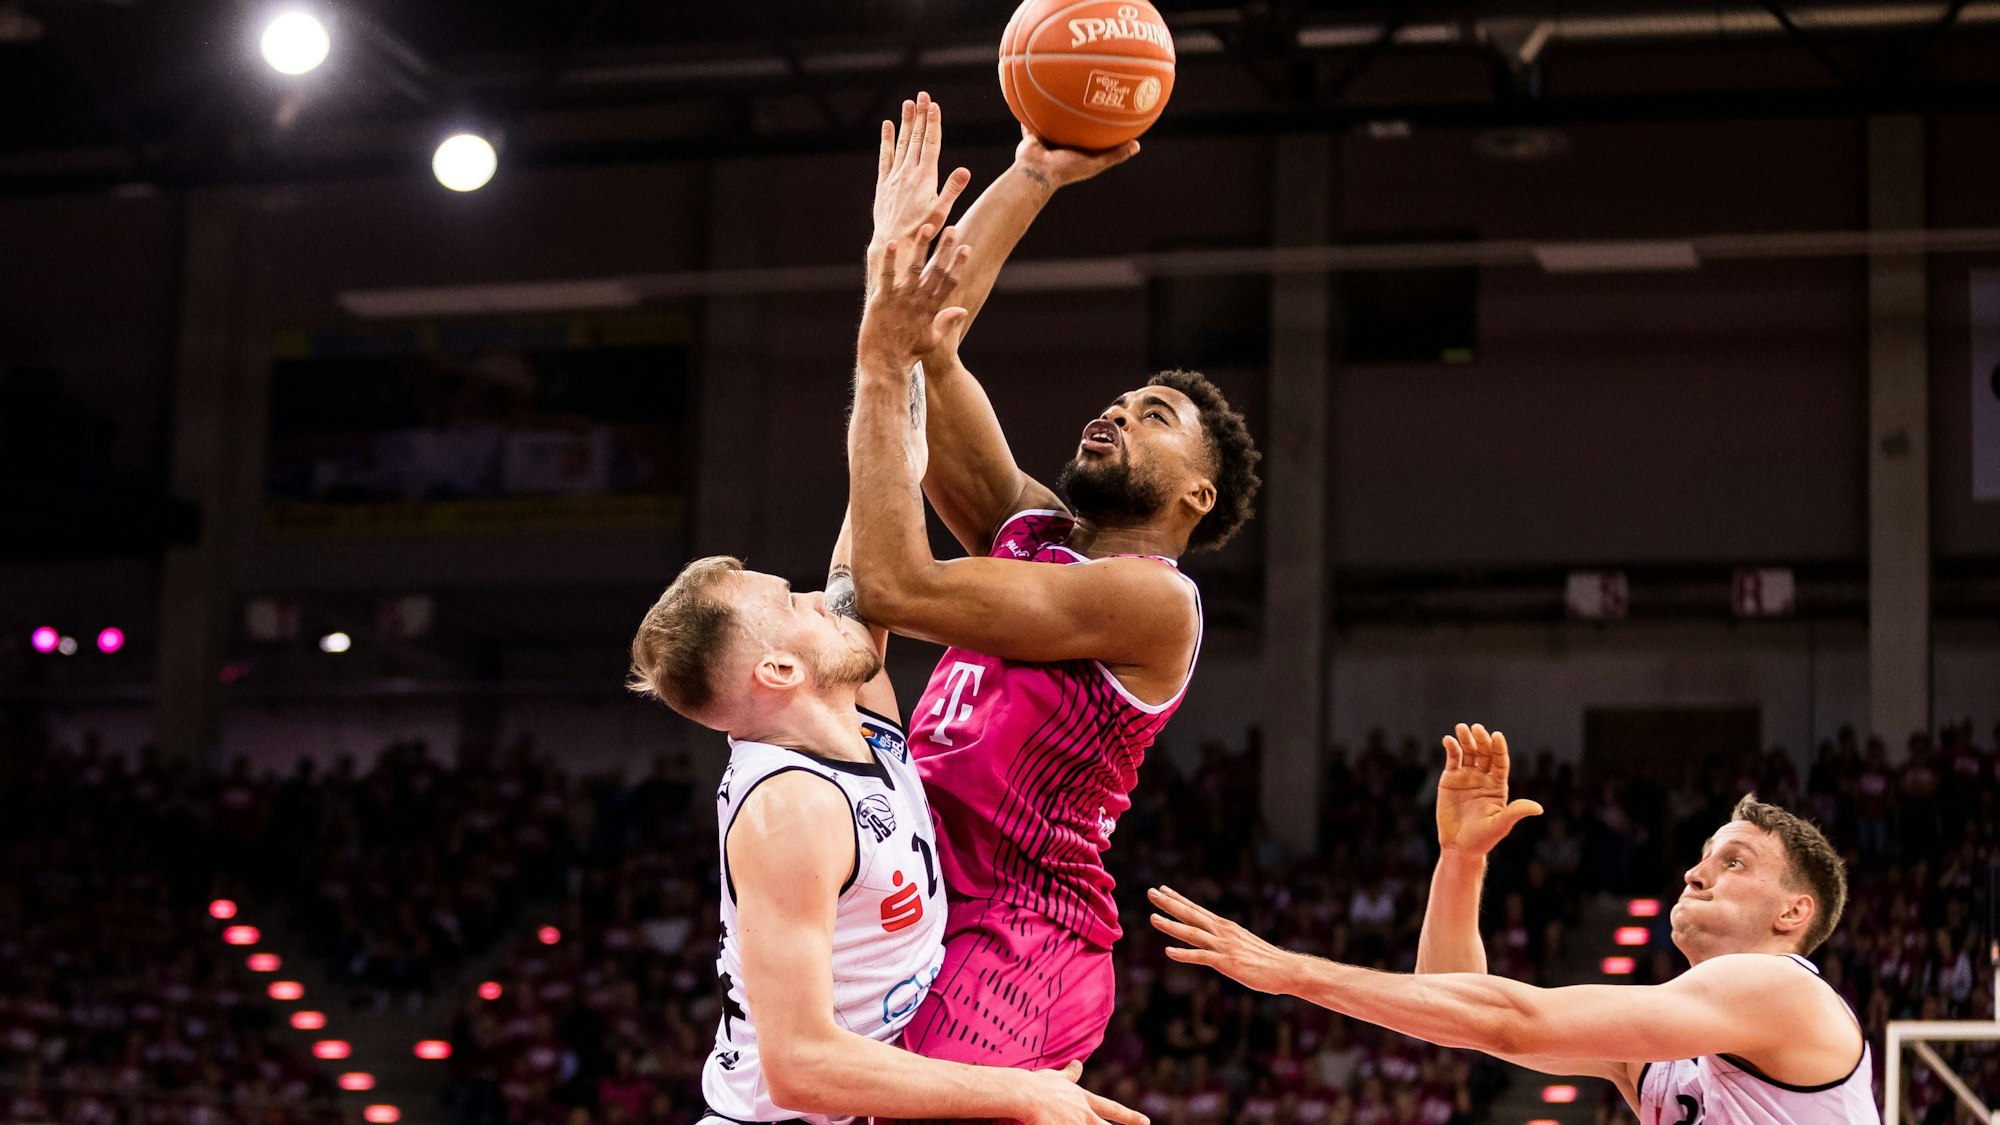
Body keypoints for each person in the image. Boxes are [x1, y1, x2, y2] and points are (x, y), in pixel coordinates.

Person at [850, 92, 1263, 1075]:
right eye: (1117, 402)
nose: (1115, 414)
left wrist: (880, 351)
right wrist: (1032, 172)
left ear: (1195, 494)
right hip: (918, 889)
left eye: (1152, 414)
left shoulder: (1153, 600)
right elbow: (933, 340)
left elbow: (893, 586)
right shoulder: (1033, 532)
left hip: (1021, 931)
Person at [626, 461, 1140, 1118]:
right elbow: (800, 1066)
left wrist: (899, 379)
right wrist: (1019, 1089)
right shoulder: (791, 810)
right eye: (792, 602)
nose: (821, 598)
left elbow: (862, 544)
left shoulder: (851, 706)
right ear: (781, 669)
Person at [1148, 723, 1877, 1122]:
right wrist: (1460, 862)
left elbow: (1510, 1021)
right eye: (1702, 857)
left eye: (1735, 862)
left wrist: (1291, 970)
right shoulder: (1663, 1052)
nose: (1695, 873)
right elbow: (1457, 1012)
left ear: (1794, 912)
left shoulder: (1785, 990)